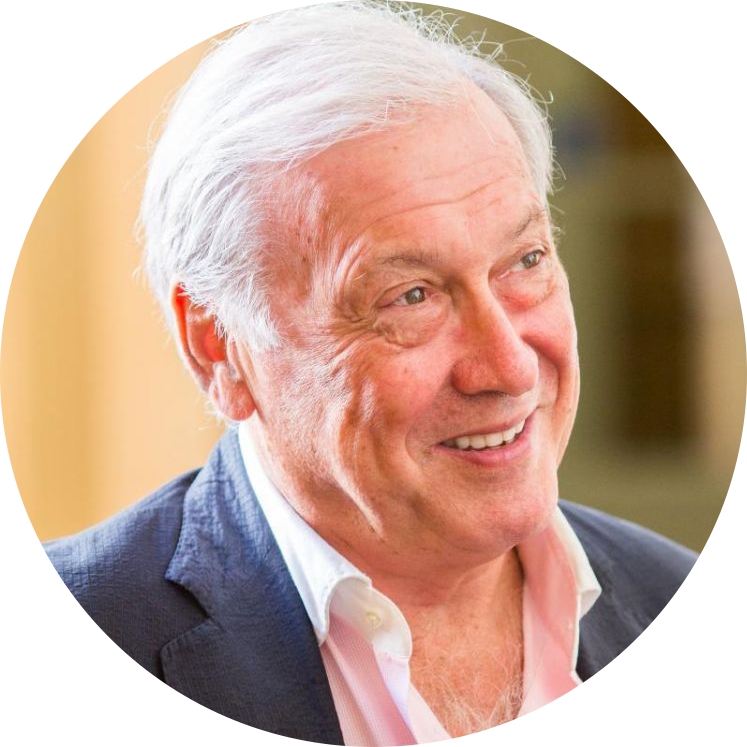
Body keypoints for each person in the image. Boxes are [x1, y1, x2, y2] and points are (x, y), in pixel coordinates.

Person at [45, 2, 696, 743]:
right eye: (409, 296)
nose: (510, 367)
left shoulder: (681, 600)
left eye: (525, 261)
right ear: (218, 345)